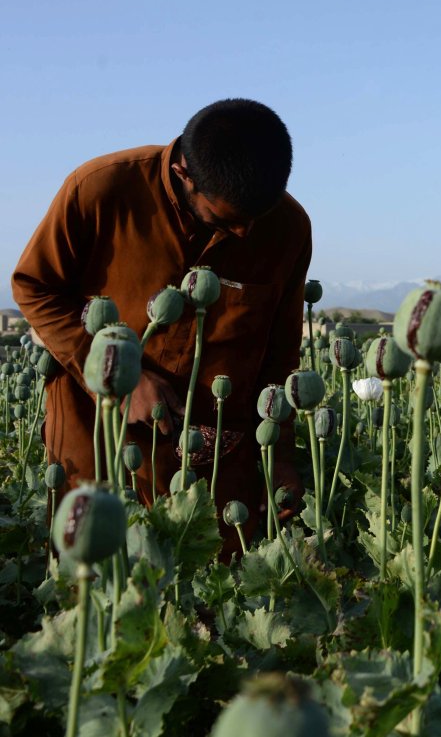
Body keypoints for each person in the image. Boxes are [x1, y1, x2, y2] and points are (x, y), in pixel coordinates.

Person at [12, 98, 311, 551]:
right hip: (96, 429)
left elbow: (281, 349)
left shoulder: (288, 226)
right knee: (97, 579)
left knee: (211, 590)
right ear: (184, 174)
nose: (247, 235)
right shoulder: (99, 190)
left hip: (217, 451)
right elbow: (34, 286)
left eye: (257, 219)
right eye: (229, 223)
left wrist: (280, 453)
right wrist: (118, 380)